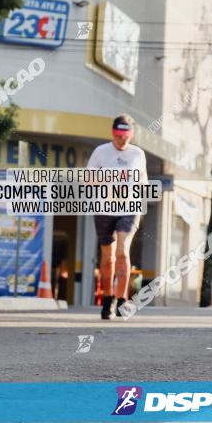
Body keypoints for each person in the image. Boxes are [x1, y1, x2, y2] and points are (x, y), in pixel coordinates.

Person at [86, 114, 147, 319]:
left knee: (122, 250)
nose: (122, 140)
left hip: (129, 209)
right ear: (113, 133)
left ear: (132, 134)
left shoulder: (138, 154)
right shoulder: (100, 153)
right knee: (108, 258)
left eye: (126, 135)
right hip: (103, 208)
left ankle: (122, 300)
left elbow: (143, 184)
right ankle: (107, 300)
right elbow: (88, 180)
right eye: (119, 135)